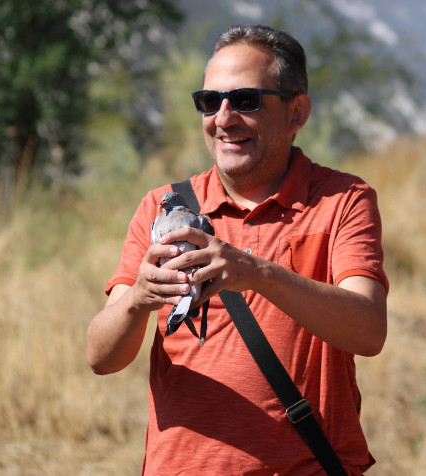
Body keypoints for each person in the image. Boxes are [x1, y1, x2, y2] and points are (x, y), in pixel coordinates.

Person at [86, 24, 388, 475]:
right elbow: (101, 358)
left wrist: (257, 273)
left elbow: (369, 332)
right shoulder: (162, 206)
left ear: (297, 112)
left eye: (246, 100)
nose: (224, 119)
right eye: (210, 102)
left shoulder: (342, 200)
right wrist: (137, 300)